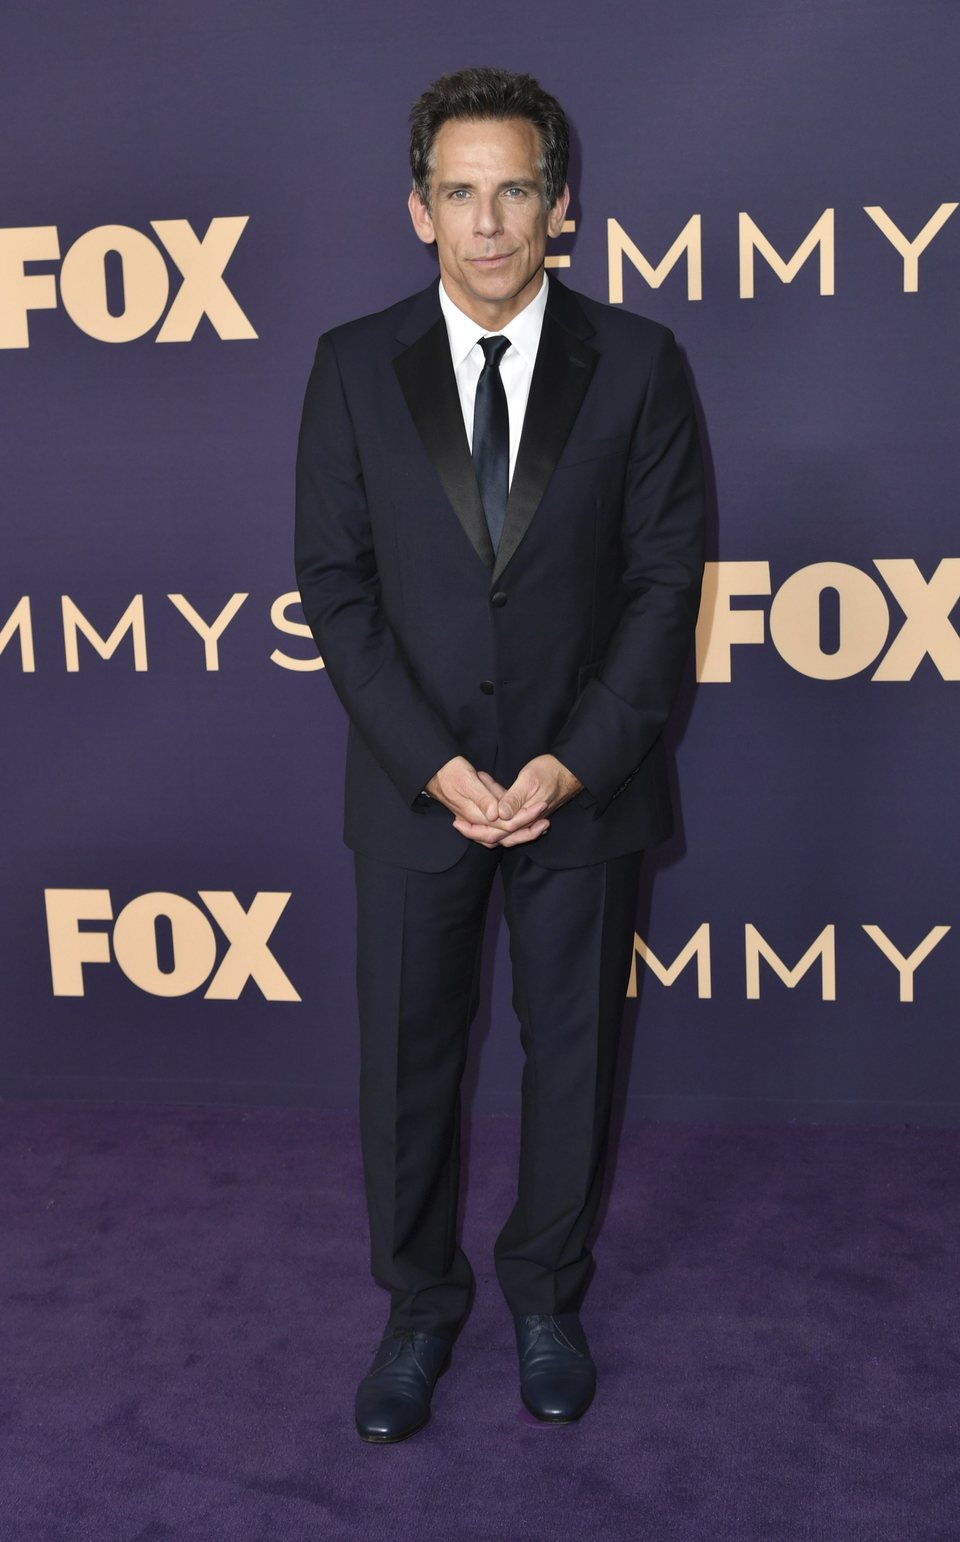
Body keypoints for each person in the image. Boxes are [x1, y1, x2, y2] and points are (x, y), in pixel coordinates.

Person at [295, 65, 706, 1444]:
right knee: (408, 1063)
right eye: (459, 193)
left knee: (573, 1055)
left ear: (561, 204)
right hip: (418, 796)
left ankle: (546, 1292)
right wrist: (432, 761)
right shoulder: (351, 367)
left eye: (514, 189)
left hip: (579, 793)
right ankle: (417, 1307)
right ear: (418, 210)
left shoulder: (640, 363)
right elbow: (333, 588)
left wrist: (572, 761)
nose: (488, 222)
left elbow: (664, 585)